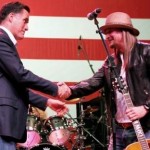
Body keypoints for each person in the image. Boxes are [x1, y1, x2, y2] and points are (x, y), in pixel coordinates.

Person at [58, 12, 150, 150]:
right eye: (105, 32)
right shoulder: (111, 61)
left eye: (110, 31)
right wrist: (69, 90)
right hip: (119, 130)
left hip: (144, 128)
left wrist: (145, 107)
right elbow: (92, 82)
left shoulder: (146, 52)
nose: (106, 36)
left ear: (124, 31)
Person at [0, 1, 70, 150]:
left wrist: (46, 102)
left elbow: (14, 85)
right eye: (25, 20)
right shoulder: (1, 40)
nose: (27, 27)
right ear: (11, 17)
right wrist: (54, 88)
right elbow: (20, 75)